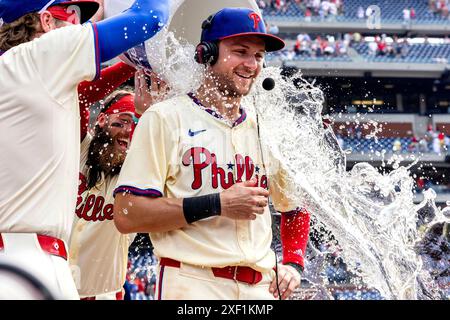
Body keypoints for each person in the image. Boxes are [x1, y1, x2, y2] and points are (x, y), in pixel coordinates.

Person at [113, 7, 311, 300]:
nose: (251, 64)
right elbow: (128, 213)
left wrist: (293, 262)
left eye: (258, 56)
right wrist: (217, 204)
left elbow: (295, 206)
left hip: (261, 287)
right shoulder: (165, 118)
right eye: (241, 51)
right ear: (206, 53)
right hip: (192, 281)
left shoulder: (267, 127)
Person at [0, 0, 169, 299]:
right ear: (47, 22)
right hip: (27, 262)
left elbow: (87, 90)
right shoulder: (40, 57)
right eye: (74, 14)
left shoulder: (16, 71)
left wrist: (127, 66)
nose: (81, 25)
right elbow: (149, 17)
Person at [69, 70, 168, 300]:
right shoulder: (79, 146)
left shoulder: (136, 171)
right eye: (123, 120)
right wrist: (131, 64)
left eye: (136, 125)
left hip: (103, 295)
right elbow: (80, 96)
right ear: (102, 119)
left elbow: (159, 143)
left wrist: (148, 115)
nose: (129, 131)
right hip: (50, 286)